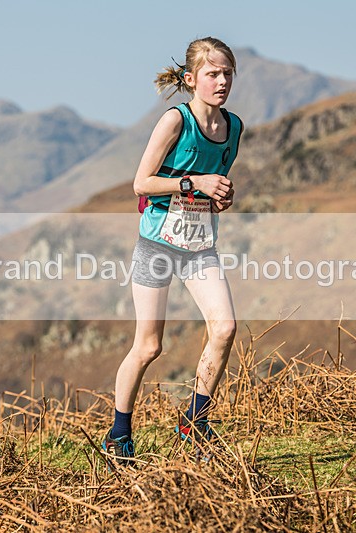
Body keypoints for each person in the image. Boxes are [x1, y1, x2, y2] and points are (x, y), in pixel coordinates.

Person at [102, 37, 243, 464]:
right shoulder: (174, 121)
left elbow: (212, 185)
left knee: (225, 329)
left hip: (200, 245)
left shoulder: (233, 128)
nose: (221, 82)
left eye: (227, 74)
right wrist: (193, 183)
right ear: (191, 79)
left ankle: (194, 424)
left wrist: (220, 195)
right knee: (148, 347)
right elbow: (141, 183)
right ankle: (119, 434)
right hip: (157, 245)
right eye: (212, 74)